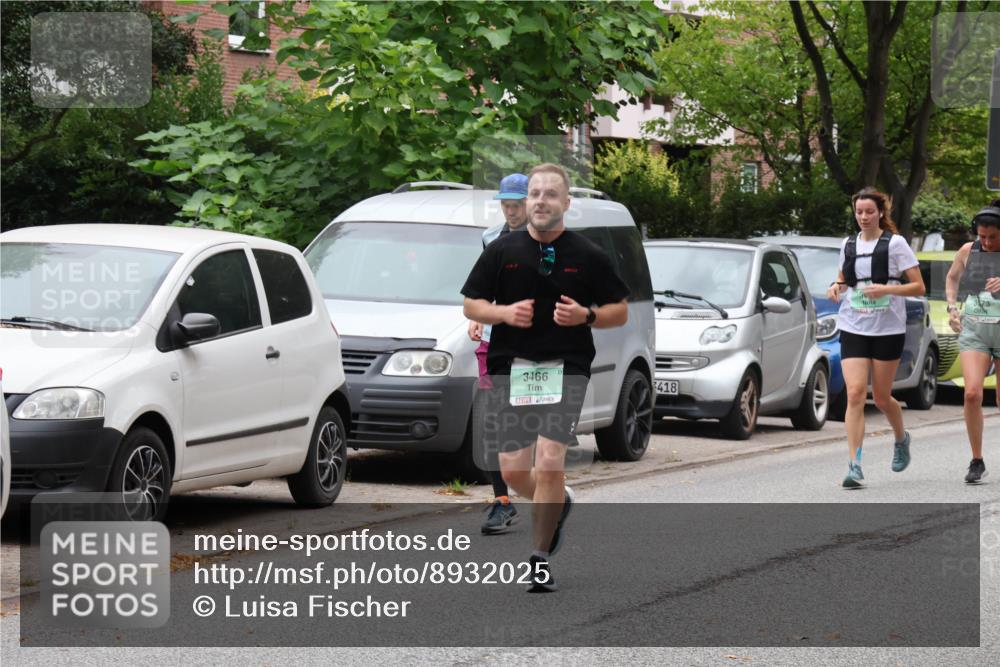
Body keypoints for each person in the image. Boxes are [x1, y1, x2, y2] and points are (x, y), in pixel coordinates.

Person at [461, 163, 629, 592]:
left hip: (566, 366)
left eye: (550, 194)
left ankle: (538, 558)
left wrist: (586, 315)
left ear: (566, 203)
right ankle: (557, 502)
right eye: (534, 193)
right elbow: (472, 305)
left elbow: (620, 310)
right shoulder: (502, 250)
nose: (540, 201)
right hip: (512, 367)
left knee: (551, 460)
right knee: (515, 473)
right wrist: (502, 313)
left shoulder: (588, 255)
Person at [826, 187, 925, 489]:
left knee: (881, 397)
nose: (864, 217)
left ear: (881, 212)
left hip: (888, 329)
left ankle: (900, 438)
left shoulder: (895, 244)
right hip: (854, 324)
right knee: (855, 393)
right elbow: (845, 276)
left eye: (870, 211)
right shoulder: (849, 243)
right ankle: (854, 465)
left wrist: (886, 289)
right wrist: (836, 286)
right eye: (859, 212)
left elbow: (918, 287)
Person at [468, 173, 529, 534]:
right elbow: (482, 287)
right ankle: (501, 501)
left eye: (516, 205)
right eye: (505, 204)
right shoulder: (491, 238)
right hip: (493, 343)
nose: (510, 211)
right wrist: (477, 315)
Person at [945, 200, 1000, 483]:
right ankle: (977, 460)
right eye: (982, 236)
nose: (987, 242)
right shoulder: (968, 251)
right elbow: (952, 278)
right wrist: (952, 307)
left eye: (993, 237)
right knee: (972, 394)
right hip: (975, 329)